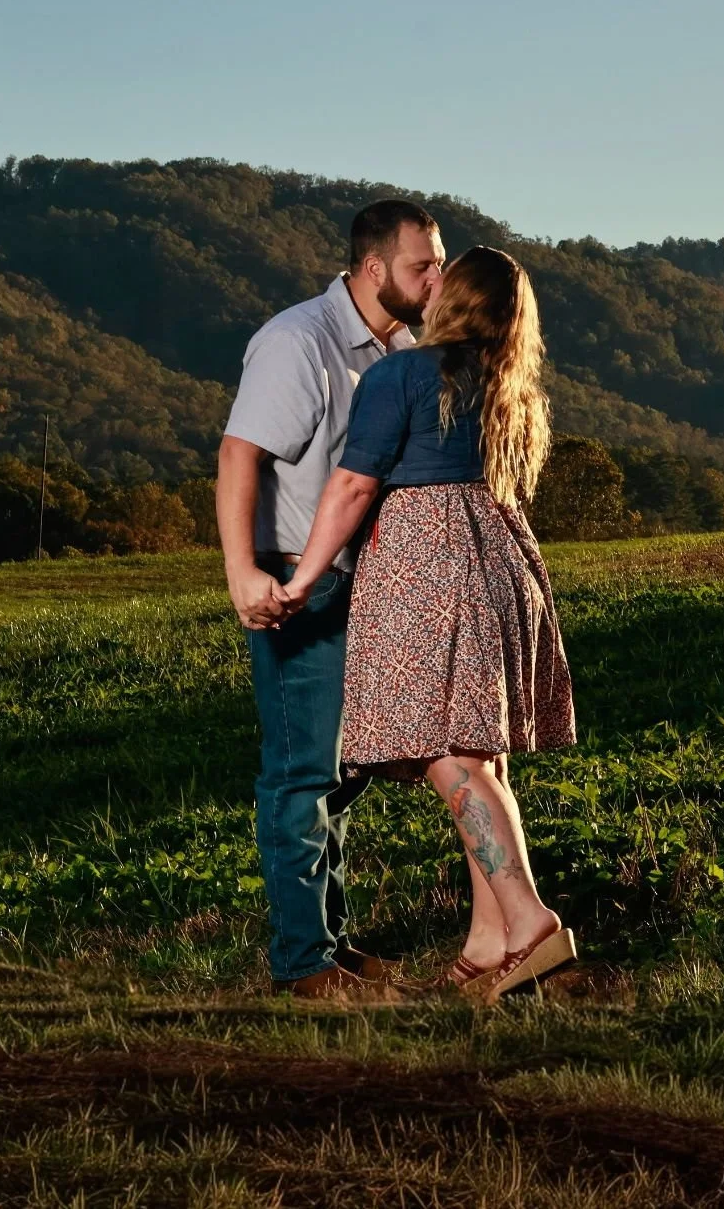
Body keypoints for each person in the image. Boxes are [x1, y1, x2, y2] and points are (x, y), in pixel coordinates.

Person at [273, 245, 577, 1003]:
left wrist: (302, 579)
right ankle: (487, 944)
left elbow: (349, 487)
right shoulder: (512, 386)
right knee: (480, 753)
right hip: (500, 554)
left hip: (425, 562)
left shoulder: (404, 373)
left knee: (444, 749)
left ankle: (531, 922)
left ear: (454, 298)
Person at [215, 198, 445, 1002]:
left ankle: (331, 945)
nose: (436, 278)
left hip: (362, 581)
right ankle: (301, 966)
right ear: (376, 267)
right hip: (294, 581)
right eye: (423, 265)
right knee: (299, 776)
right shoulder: (297, 341)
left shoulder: (406, 349)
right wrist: (243, 573)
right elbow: (240, 453)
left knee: (342, 776)